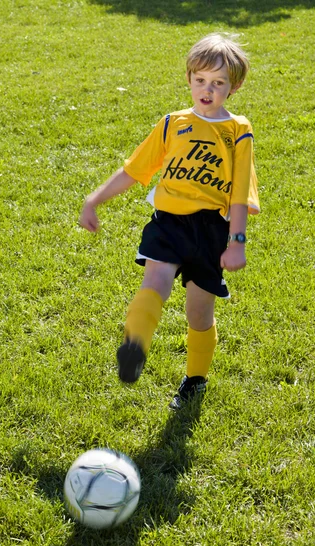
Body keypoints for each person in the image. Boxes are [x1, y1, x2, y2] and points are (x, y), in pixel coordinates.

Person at [79, 32, 260, 409]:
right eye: (200, 81)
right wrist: (95, 198)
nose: (207, 90)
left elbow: (240, 193)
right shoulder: (172, 124)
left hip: (211, 230)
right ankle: (135, 343)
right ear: (189, 79)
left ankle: (195, 379)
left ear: (234, 86)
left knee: (199, 313)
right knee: (155, 282)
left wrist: (236, 242)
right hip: (168, 222)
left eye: (218, 83)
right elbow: (134, 170)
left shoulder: (238, 131)